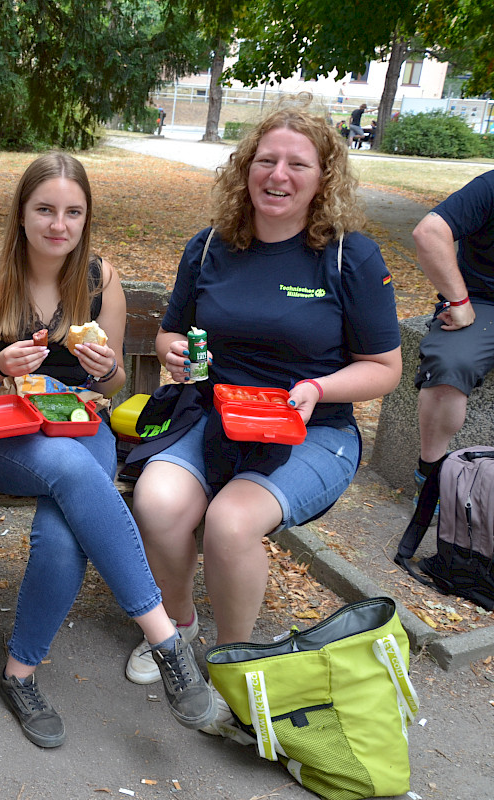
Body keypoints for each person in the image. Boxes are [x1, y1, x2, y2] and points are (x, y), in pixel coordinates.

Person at [125, 97, 401, 726]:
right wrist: (175, 356)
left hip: (313, 430)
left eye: (297, 164)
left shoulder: (346, 257)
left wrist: (318, 388)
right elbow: (173, 334)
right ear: (245, 168)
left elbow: (384, 369)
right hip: (216, 418)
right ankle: (177, 628)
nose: (279, 175)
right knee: (158, 502)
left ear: (323, 179)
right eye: (266, 160)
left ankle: (235, 658)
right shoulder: (210, 248)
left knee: (229, 523)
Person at [0, 151, 216, 748]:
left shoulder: (100, 279)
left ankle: (20, 673)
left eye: (72, 212)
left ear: (86, 218)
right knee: (74, 473)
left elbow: (113, 382)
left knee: (65, 529)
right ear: (21, 214)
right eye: (44, 209)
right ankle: (166, 640)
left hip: (75, 416)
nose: (57, 224)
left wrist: (104, 370)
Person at [411, 172, 494, 498]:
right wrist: (458, 301)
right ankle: (430, 479)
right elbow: (430, 232)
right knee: (448, 366)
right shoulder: (489, 187)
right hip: (483, 301)